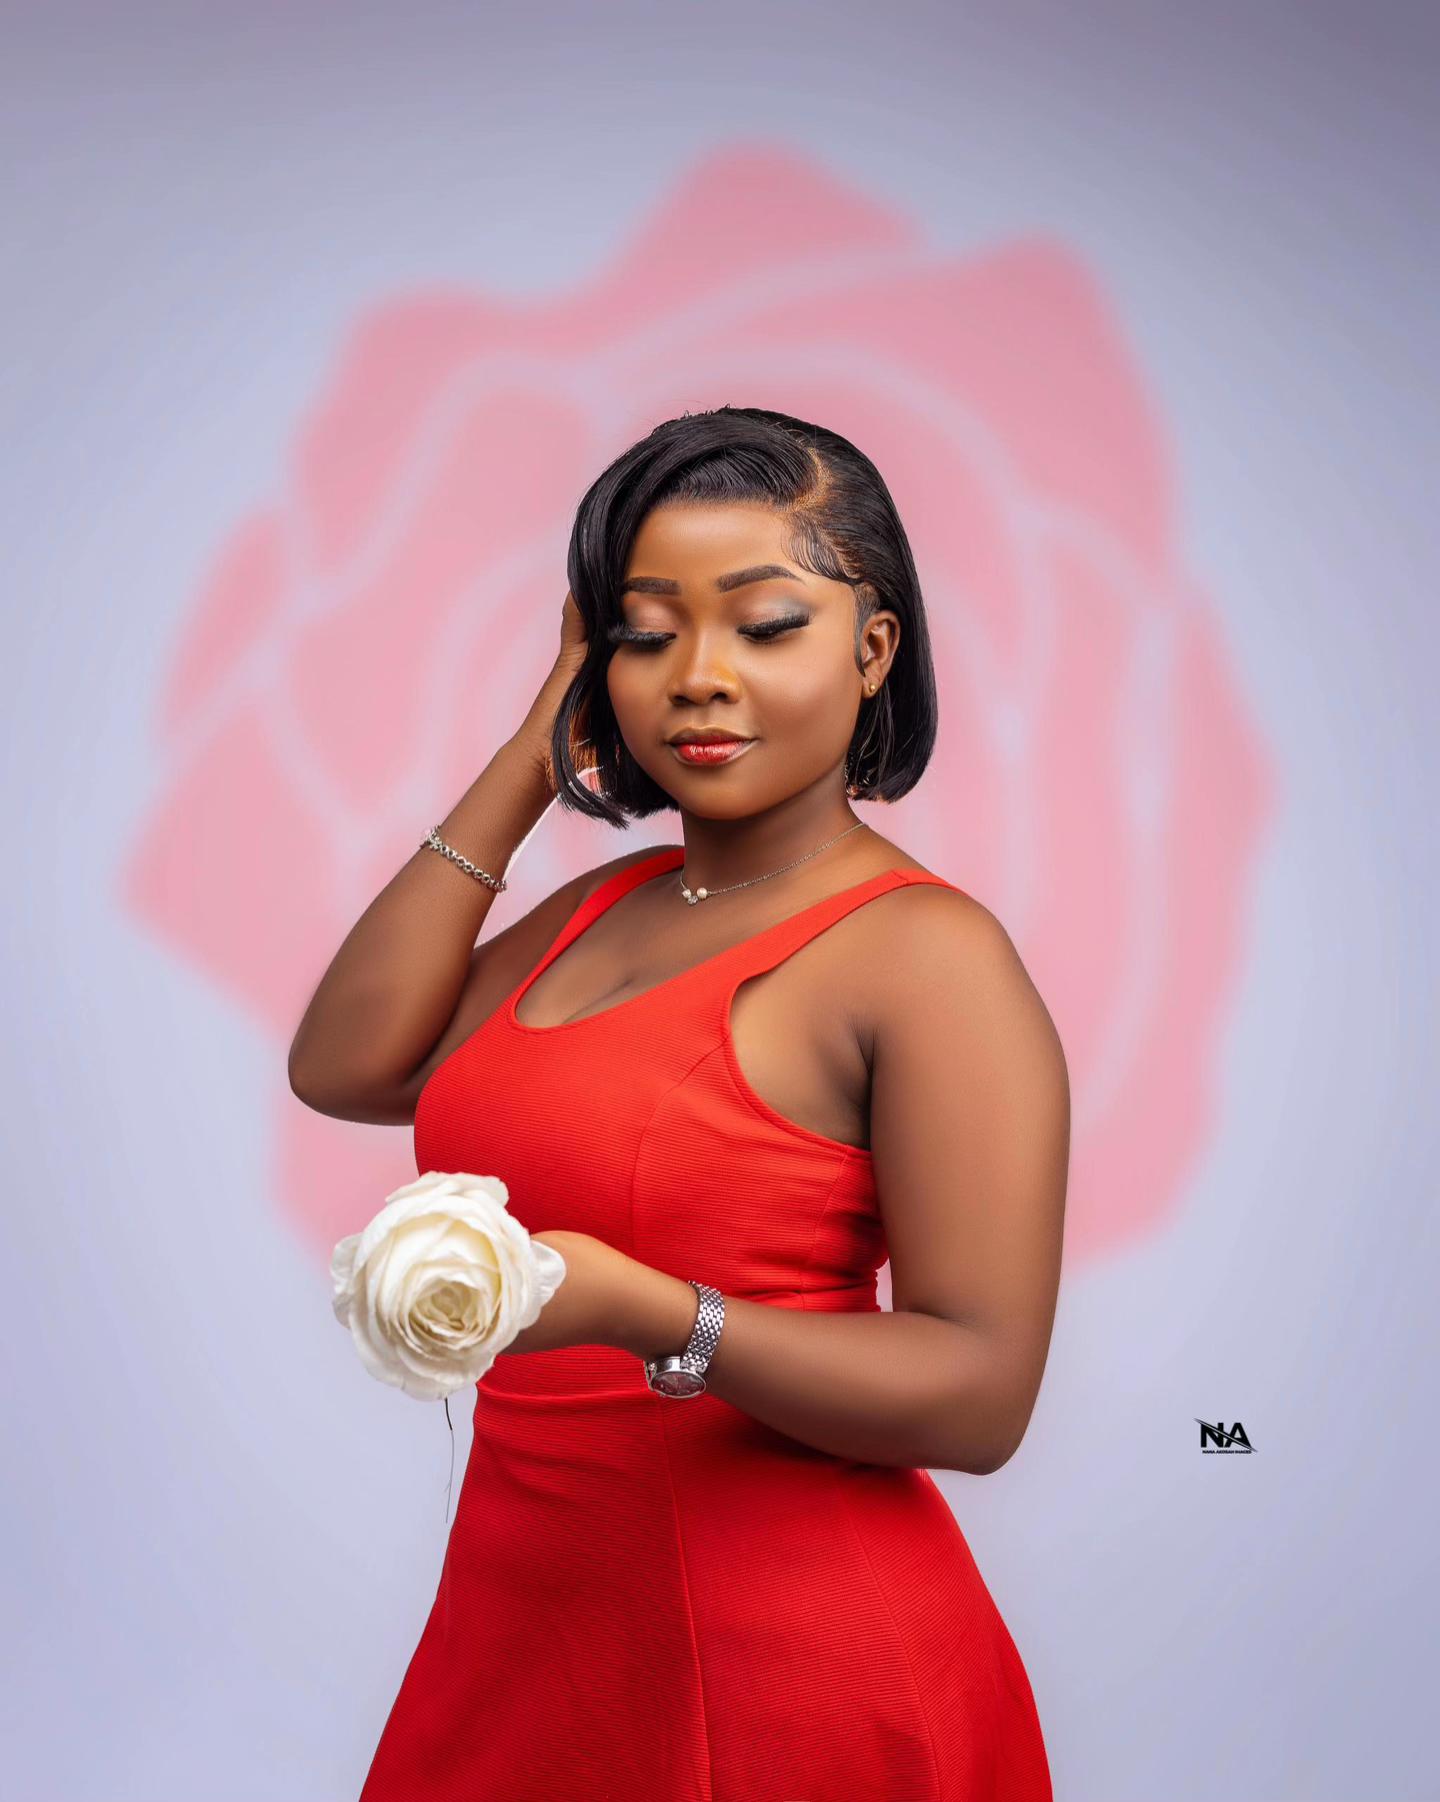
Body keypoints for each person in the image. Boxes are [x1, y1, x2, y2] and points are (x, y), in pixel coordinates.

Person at [289, 405, 1069, 1801]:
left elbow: (980, 1394)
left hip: (792, 1676)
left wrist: (657, 1313)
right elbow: (346, 1064)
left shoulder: (926, 956)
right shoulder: (613, 905)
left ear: (873, 648)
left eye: (765, 625)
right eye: (645, 635)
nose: (700, 677)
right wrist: (536, 756)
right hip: (527, 1643)